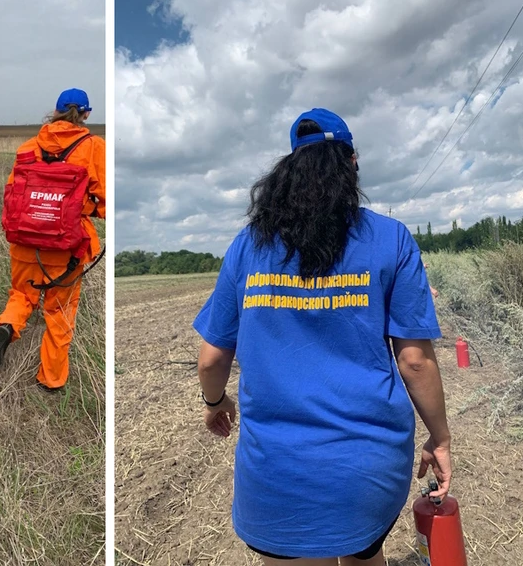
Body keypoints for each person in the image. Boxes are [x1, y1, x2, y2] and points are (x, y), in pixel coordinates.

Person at [193, 109, 452, 564]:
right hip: (366, 471)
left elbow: (212, 359)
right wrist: (440, 438)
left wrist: (216, 404)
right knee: (364, 556)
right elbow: (414, 360)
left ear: (289, 170)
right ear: (352, 162)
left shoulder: (247, 245)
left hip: (275, 477)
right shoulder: (391, 239)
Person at [0, 88, 106, 391]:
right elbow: (106, 201)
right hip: (67, 249)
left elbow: (13, 195)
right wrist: (85, 207)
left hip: (24, 242)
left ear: (54, 112)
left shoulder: (28, 146)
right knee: (59, 313)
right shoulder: (94, 147)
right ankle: (50, 380)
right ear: (86, 114)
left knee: (22, 296)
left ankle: (7, 327)